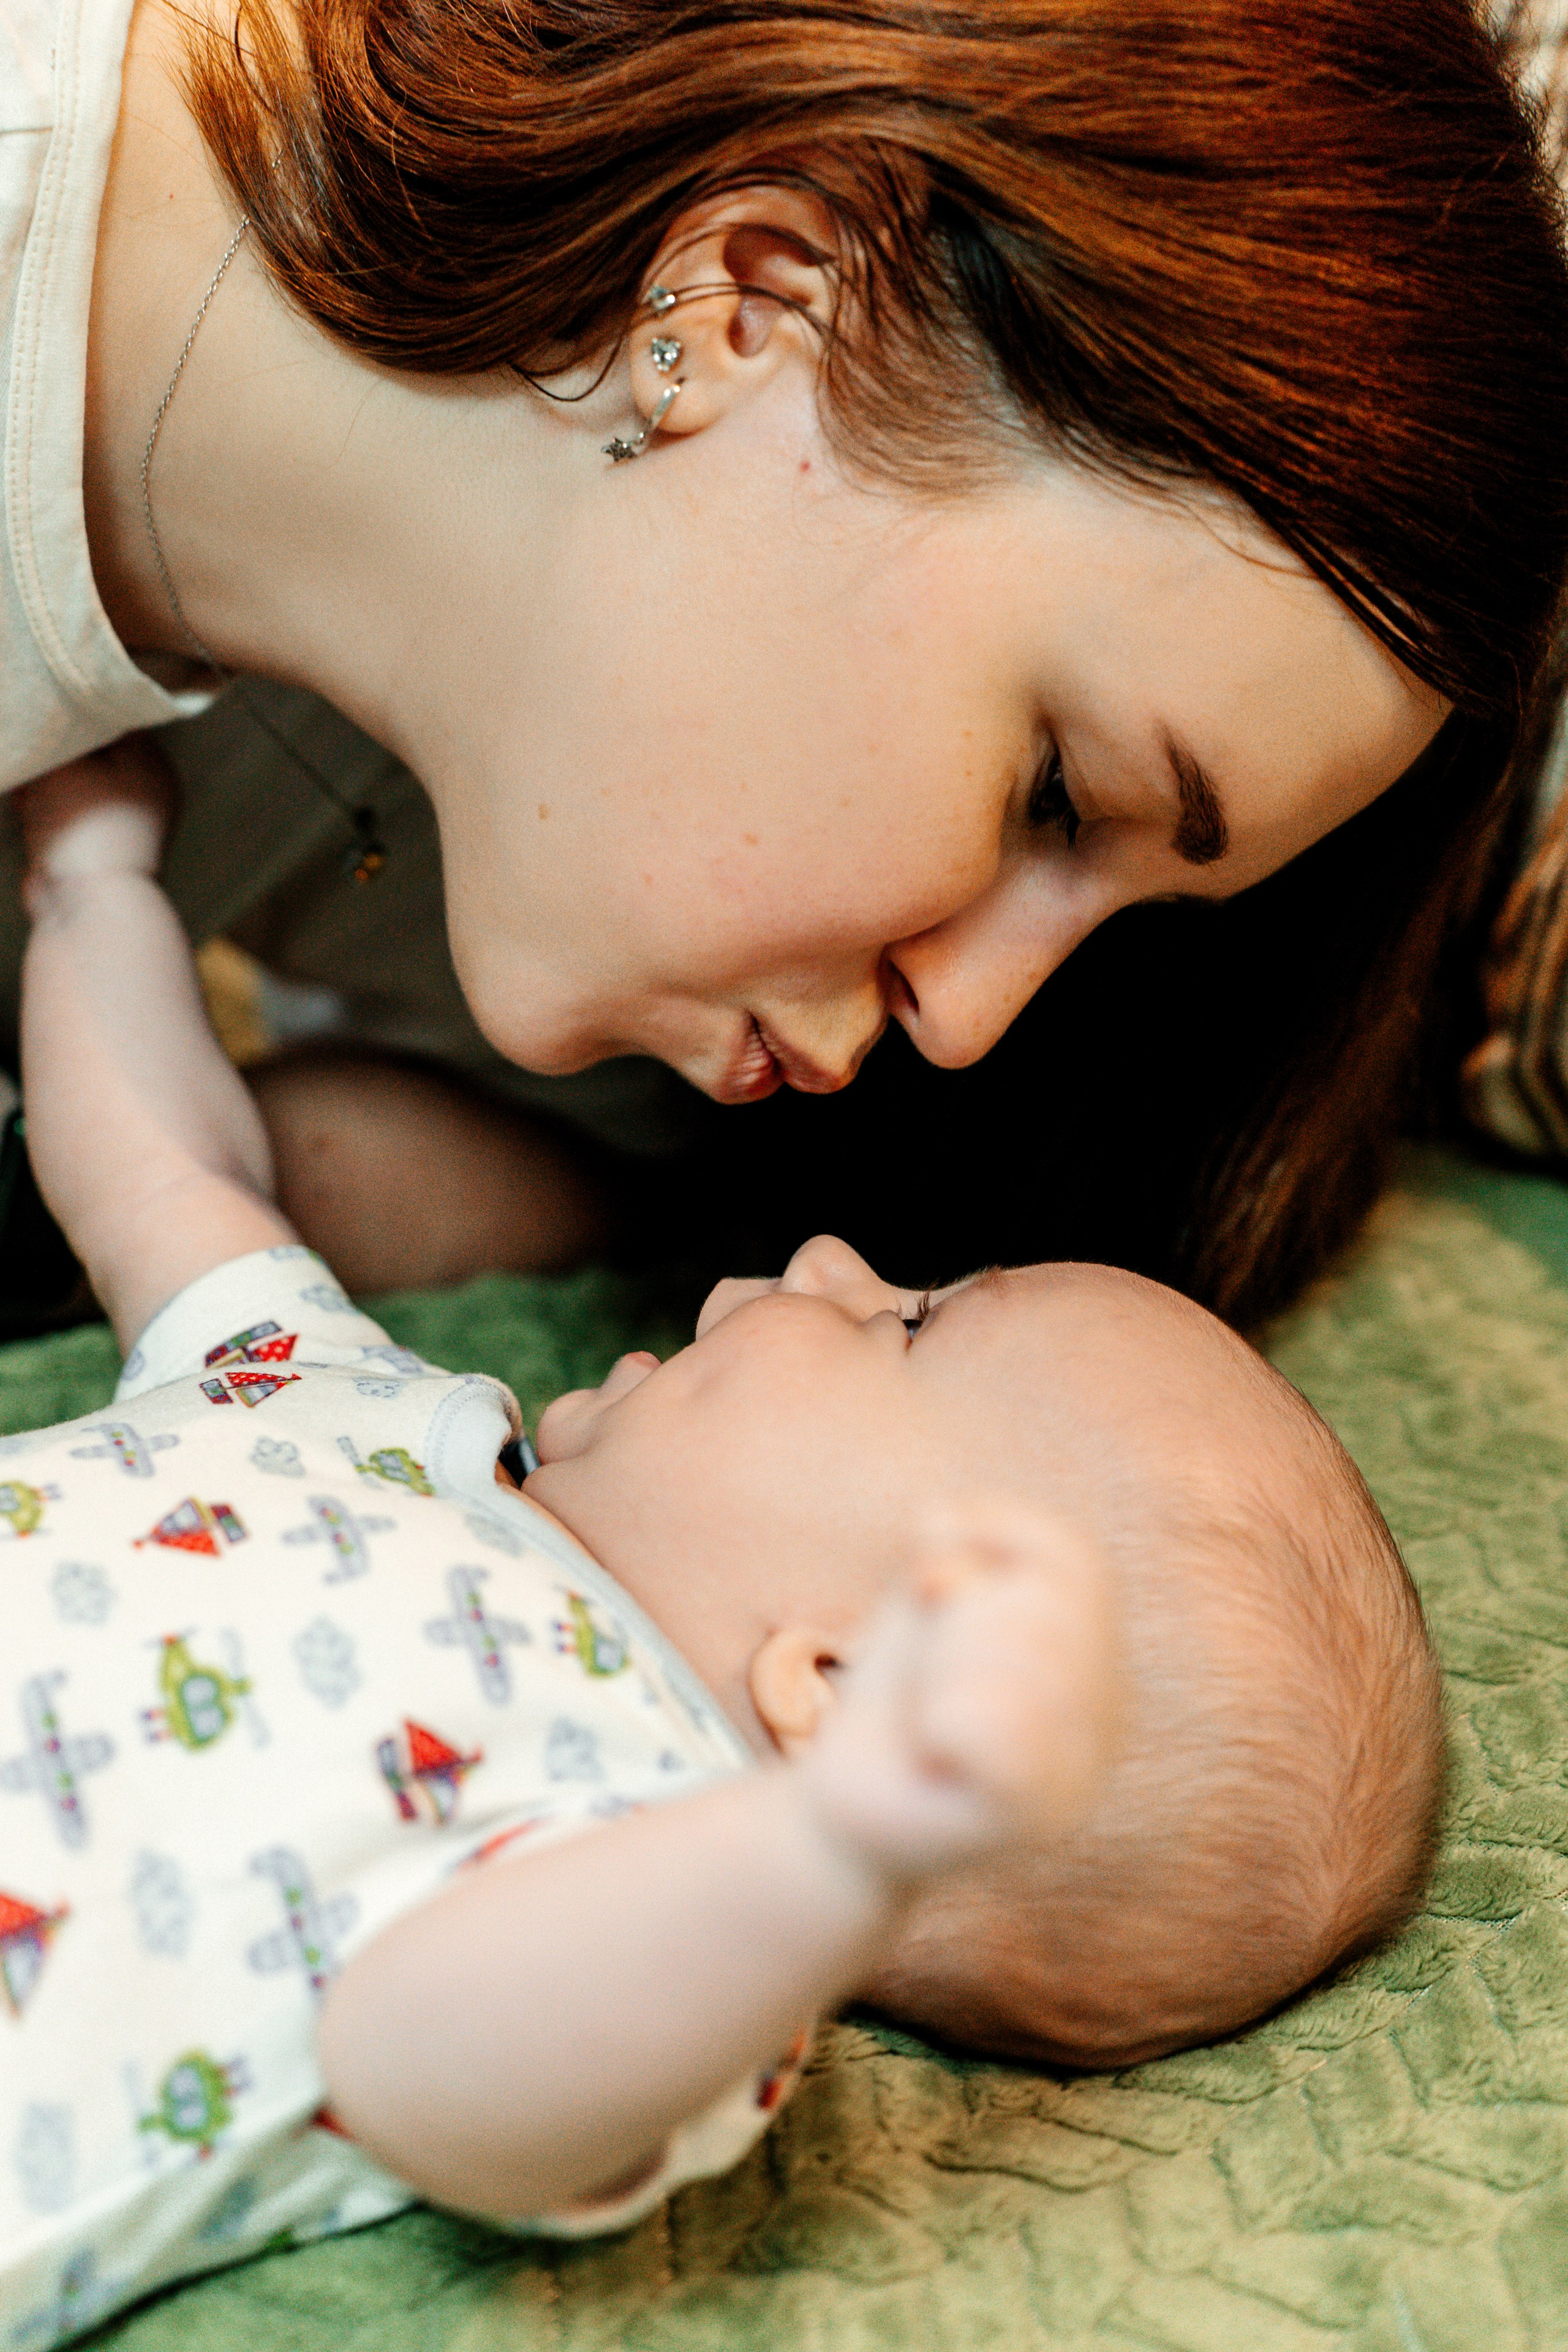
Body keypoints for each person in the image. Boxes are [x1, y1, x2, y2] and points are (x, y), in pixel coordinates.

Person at [0, 748, 1442, 2343]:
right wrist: (97, 895)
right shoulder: (374, 1404)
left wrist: (830, 1852)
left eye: (904, 1324)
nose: (828, 1258)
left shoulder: (641, 1878)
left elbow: (417, 2061)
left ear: (834, 1682)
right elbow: (173, 1188)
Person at [1, 0, 1566, 1327]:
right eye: (1054, 793)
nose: (963, 1026)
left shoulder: (514, 786)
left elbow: (569, 1149)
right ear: (753, 299)